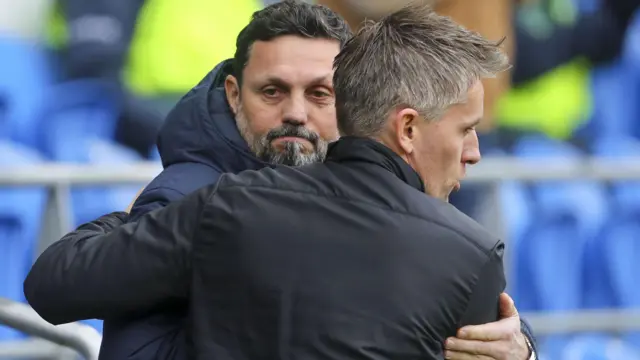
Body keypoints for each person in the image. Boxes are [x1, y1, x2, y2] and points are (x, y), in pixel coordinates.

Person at [25, 2, 537, 360]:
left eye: (319, 94)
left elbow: (461, 298)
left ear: (354, 100)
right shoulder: (194, 195)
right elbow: (63, 289)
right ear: (232, 94)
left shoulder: (386, 196)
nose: (295, 113)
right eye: (273, 91)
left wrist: (520, 346)